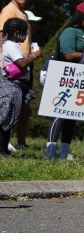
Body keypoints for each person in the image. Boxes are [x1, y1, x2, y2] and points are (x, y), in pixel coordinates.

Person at [46, 2, 84, 160]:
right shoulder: (69, 31)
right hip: (65, 76)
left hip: (78, 77)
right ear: (81, 16)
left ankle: (64, 151)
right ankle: (50, 150)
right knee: (59, 113)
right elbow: (69, 55)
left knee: (71, 116)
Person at [1, 0, 33, 150]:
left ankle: (19, 142)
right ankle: (5, 142)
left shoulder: (23, 13)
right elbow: (2, 37)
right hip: (10, 68)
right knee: (8, 105)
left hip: (22, 66)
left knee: (23, 107)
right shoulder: (9, 11)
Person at [1, 18, 40, 153]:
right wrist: (34, 55)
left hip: (16, 86)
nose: (26, 36)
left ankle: (4, 149)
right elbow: (22, 63)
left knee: (10, 118)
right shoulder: (11, 45)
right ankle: (2, 149)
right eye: (24, 33)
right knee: (6, 117)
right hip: (11, 86)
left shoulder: (11, 44)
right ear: (17, 32)